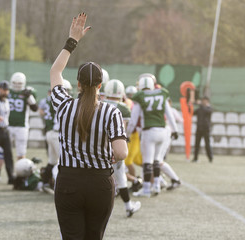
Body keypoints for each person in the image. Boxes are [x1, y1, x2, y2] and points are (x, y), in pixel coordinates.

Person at [50, 13, 128, 239]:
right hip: (99, 183)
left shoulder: (64, 106)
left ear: (78, 84)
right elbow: (121, 152)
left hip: (69, 182)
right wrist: (110, 156)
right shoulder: (111, 111)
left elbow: (55, 72)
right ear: (101, 85)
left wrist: (72, 41)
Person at [127, 73, 178, 197]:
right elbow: (169, 114)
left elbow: (133, 120)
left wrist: (127, 133)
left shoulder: (140, 96)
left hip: (149, 131)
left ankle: (146, 190)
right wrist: (175, 130)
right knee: (156, 161)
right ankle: (156, 186)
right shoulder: (162, 93)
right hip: (162, 130)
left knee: (147, 162)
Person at [104, 79, 141, 217]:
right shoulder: (124, 108)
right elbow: (123, 130)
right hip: (114, 147)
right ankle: (128, 206)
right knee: (120, 178)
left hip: (98, 146)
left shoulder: (100, 104)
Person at [38, 80, 72, 193]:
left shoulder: (48, 100)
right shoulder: (61, 102)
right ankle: (60, 186)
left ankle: (44, 183)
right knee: (63, 161)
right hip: (57, 134)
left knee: (52, 160)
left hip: (50, 133)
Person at [192, 96, 213, 163]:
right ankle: (195, 158)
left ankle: (210, 158)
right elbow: (192, 113)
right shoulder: (200, 109)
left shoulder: (209, 108)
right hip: (199, 128)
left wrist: (200, 104)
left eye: (204, 100)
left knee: (207, 144)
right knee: (197, 144)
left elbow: (207, 111)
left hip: (206, 129)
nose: (203, 102)